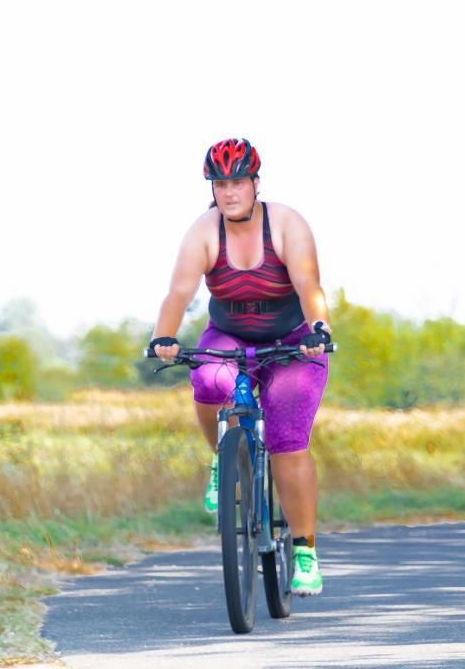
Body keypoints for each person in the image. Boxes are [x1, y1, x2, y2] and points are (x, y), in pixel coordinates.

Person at [149, 137, 332, 596]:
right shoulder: (205, 231)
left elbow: (309, 283)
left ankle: (305, 552)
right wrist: (164, 337)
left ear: (255, 182)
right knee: (208, 379)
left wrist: (319, 329)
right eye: (220, 184)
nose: (229, 192)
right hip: (229, 335)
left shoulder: (287, 224)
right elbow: (179, 291)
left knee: (289, 442)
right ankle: (222, 459)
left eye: (237, 182)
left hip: (292, 342)